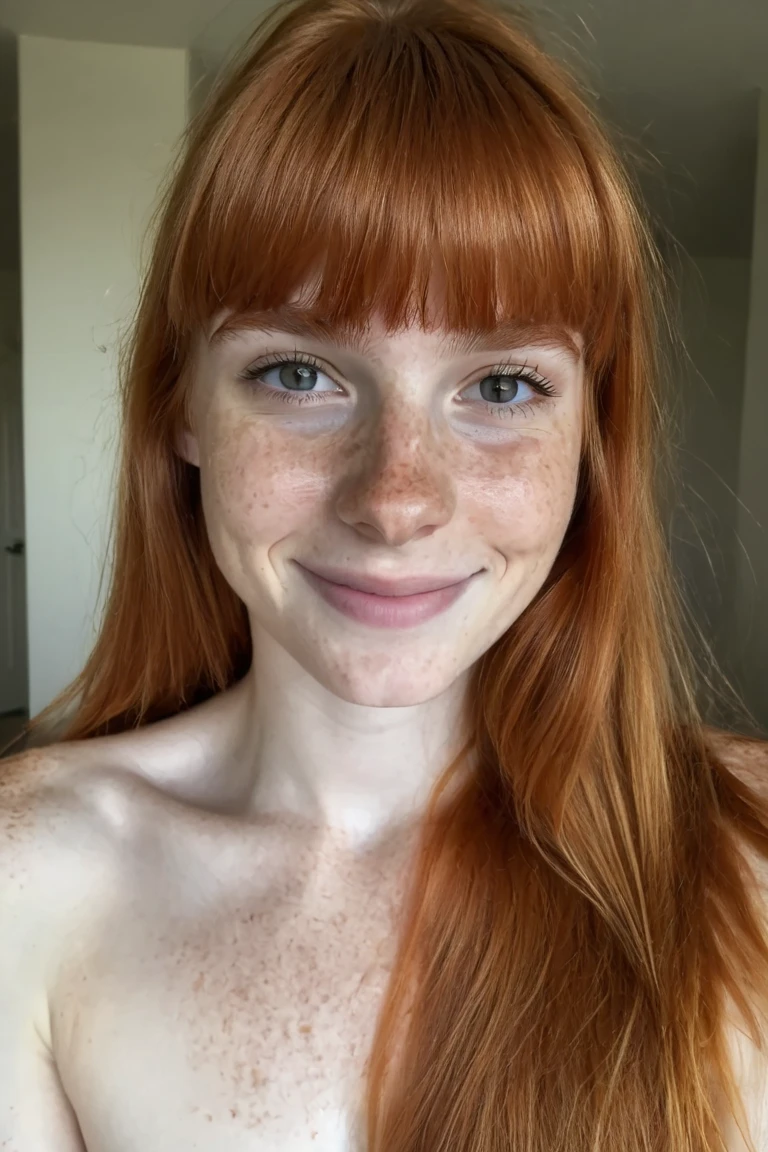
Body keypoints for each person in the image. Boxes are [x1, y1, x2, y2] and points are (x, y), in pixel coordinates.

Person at [2, 0, 767, 1147]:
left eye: (501, 386)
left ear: (589, 438)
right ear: (182, 411)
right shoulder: (26, 877)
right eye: (298, 373)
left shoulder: (749, 858)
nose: (398, 501)